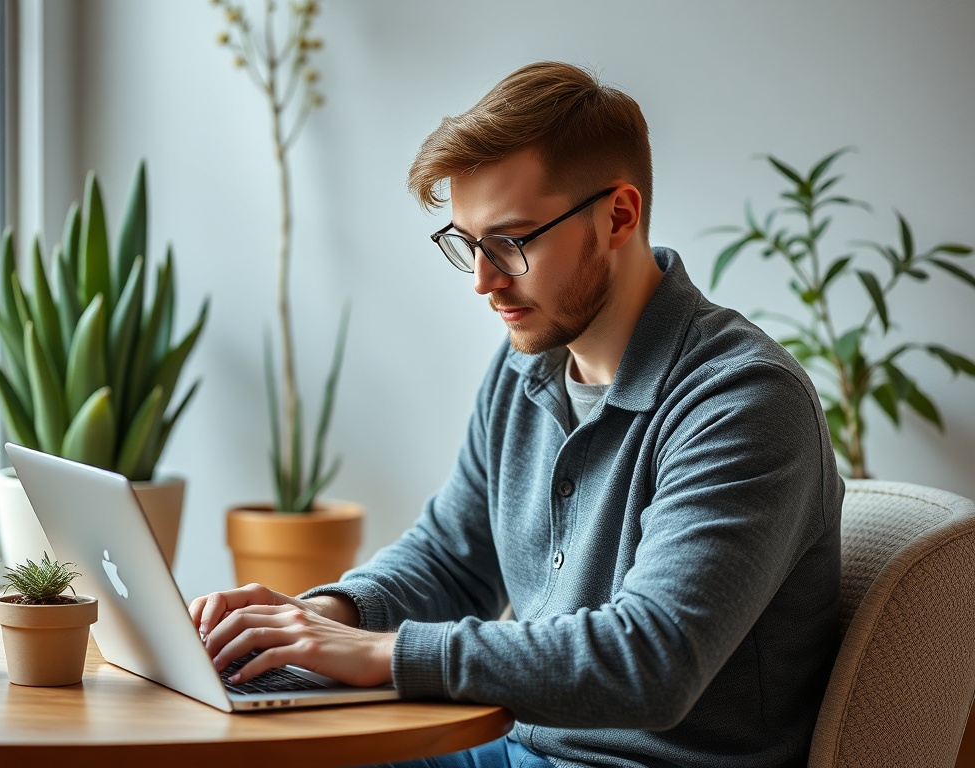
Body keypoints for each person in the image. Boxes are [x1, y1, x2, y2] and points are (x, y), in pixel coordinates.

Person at [190, 61, 844, 767]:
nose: (483, 280)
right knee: (250, 746)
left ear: (619, 215)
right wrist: (326, 618)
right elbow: (451, 555)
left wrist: (382, 653)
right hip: (512, 749)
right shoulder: (526, 365)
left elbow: (653, 660)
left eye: (511, 242)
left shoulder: (741, 399)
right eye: (467, 243)